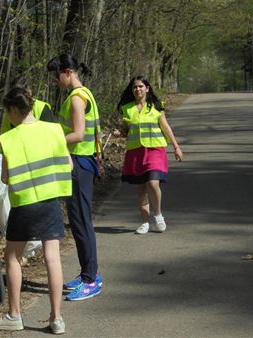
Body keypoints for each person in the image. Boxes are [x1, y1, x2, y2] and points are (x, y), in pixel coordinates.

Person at [0, 86, 72, 334]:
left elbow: (4, 178)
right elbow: (67, 163)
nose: (8, 118)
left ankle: (14, 315)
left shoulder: (9, 139)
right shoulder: (54, 130)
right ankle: (56, 318)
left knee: (12, 257)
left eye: (8, 113)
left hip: (24, 204)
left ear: (14, 110)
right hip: (51, 202)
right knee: (52, 258)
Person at [47, 54, 103, 301]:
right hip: (80, 162)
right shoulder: (83, 94)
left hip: (80, 163)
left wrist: (48, 141)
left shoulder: (78, 98)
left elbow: (79, 134)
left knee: (81, 222)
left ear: (68, 72)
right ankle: (86, 274)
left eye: (56, 75)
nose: (54, 80)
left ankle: (91, 280)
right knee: (78, 221)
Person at [116, 75, 184, 234]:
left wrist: (176, 147)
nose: (137, 89)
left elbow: (165, 127)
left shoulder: (156, 106)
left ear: (147, 88)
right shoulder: (127, 108)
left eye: (140, 86)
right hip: (135, 151)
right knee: (140, 188)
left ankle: (158, 214)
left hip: (155, 150)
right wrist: (118, 133)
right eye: (135, 87)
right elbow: (126, 130)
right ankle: (145, 222)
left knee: (153, 183)